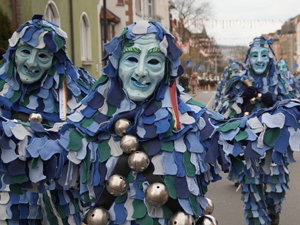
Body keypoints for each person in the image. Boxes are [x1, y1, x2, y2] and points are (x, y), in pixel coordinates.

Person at [0, 21, 300, 225]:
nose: (142, 72)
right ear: (117, 65)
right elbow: (38, 151)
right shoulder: (86, 125)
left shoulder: (193, 122)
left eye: (153, 62)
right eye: (132, 59)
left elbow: (240, 138)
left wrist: (287, 115)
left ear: (166, 70)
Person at [0, 14, 95, 224]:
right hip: (10, 196)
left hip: (63, 194)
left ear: (55, 59)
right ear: (14, 53)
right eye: (25, 52)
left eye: (43, 55)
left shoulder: (77, 88)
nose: (31, 63)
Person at [216, 36, 298, 225]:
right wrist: (240, 101)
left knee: (275, 191)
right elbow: (222, 112)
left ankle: (273, 212)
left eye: (263, 55)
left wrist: (277, 101)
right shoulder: (239, 82)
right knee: (253, 196)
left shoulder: (281, 82)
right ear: (248, 59)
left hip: (276, 148)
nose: (259, 60)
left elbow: (296, 108)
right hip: (249, 148)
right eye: (254, 56)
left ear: (270, 58)